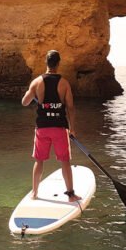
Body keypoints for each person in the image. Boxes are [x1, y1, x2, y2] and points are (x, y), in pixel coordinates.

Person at [21, 50, 81, 202]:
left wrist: (33, 93)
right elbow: (71, 108)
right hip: (60, 127)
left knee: (39, 161)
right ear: (58, 63)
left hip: (42, 128)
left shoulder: (37, 82)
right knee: (65, 161)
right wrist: (72, 129)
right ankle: (71, 195)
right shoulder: (64, 83)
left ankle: (34, 193)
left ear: (46, 63)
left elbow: (24, 102)